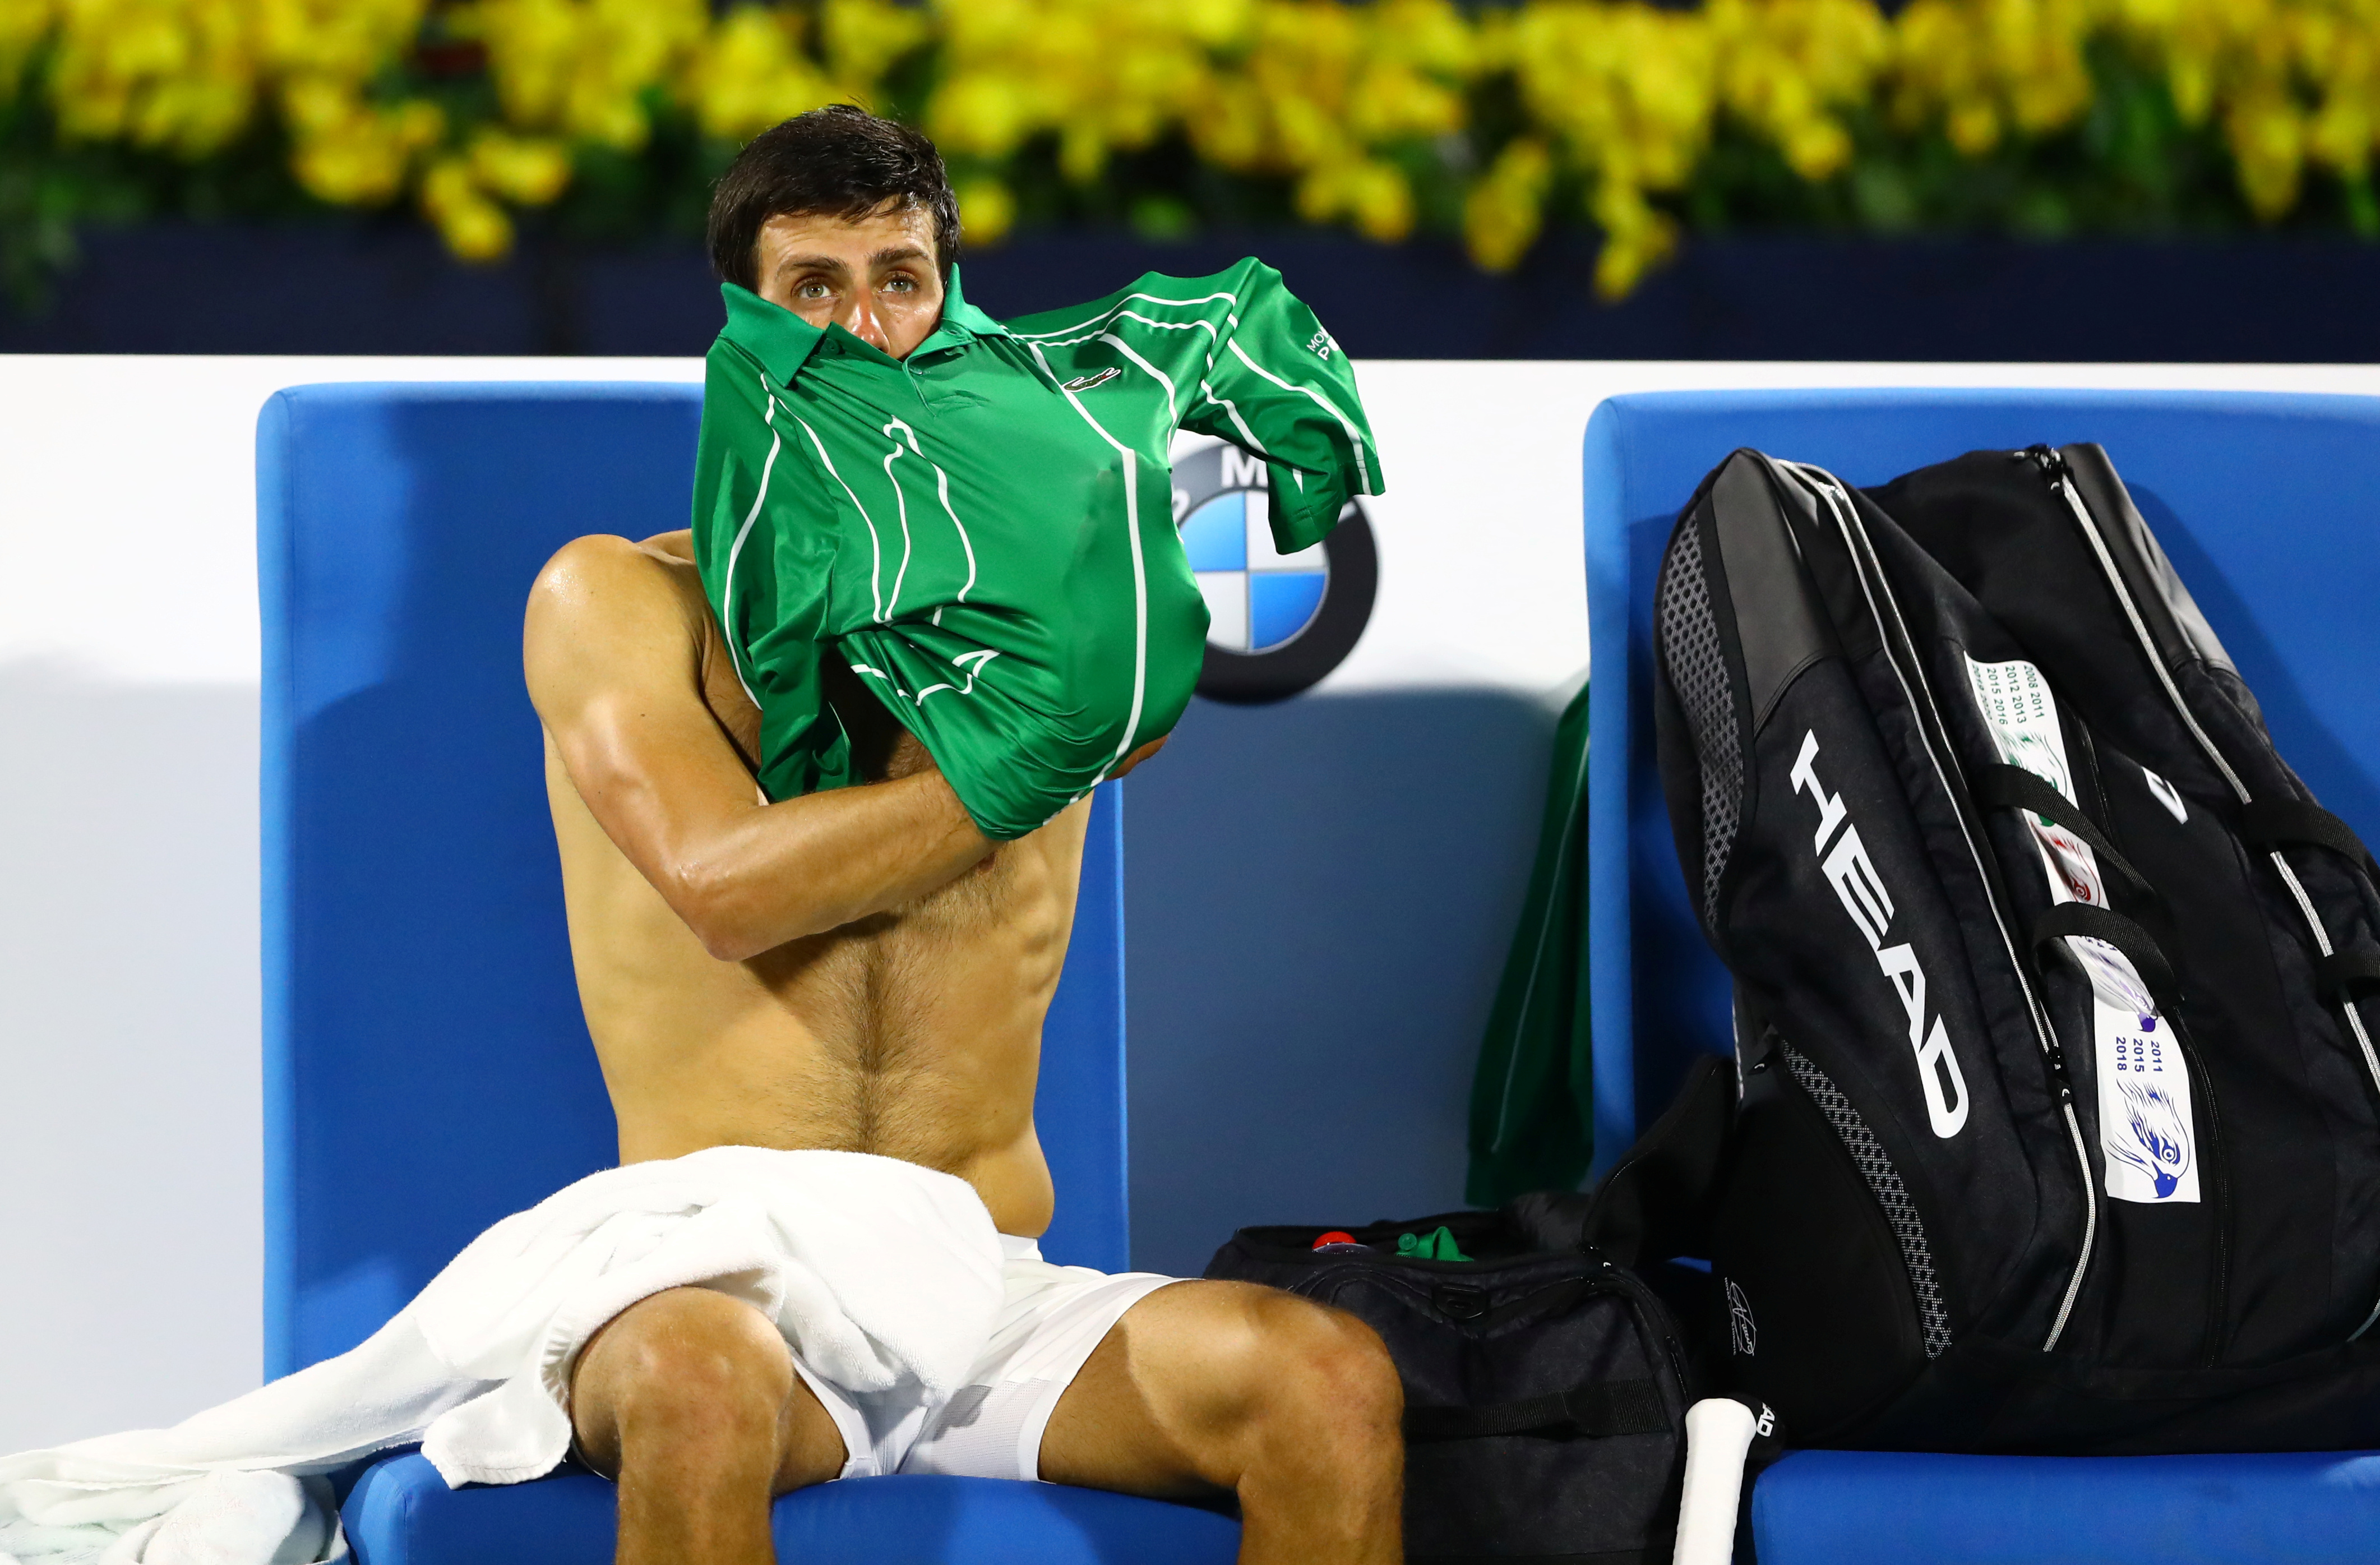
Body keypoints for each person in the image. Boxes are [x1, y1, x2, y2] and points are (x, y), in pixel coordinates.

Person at [522, 106, 1402, 1565]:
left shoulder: (1070, 619)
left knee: (1323, 1383)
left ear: (952, 302)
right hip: (720, 1275)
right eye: (816, 286)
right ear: (747, 319)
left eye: (901, 280)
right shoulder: (615, 602)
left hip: (983, 1275)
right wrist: (1025, 762)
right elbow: (723, 893)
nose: (866, 325)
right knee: (692, 1389)